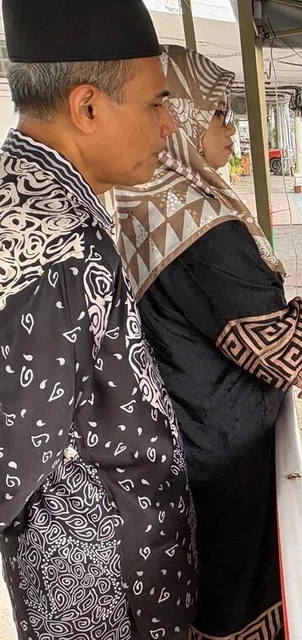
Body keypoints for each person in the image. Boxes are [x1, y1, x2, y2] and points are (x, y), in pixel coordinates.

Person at [113, 46, 302, 640]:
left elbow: (240, 331)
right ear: (185, 121)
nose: (231, 130)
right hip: (218, 446)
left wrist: (279, 354)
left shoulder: (152, 203)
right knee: (236, 596)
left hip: (193, 428)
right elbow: (285, 343)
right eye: (218, 114)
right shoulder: (195, 226)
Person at [0, 2, 197, 639]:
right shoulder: (51, 246)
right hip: (102, 602)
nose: (169, 124)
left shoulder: (40, 201)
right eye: (155, 102)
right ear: (87, 107)